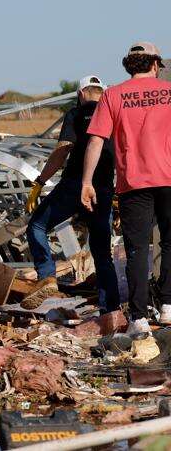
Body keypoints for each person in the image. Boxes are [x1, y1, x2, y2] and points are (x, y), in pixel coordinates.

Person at [82, 42, 171, 335]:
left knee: (137, 250)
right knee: (169, 242)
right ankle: (168, 305)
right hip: (169, 179)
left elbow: (96, 140)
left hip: (133, 183)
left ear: (128, 66)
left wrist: (86, 182)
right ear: (155, 64)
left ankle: (139, 318)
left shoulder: (113, 95)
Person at [24, 75, 120, 312]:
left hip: (74, 186)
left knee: (37, 226)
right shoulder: (114, 113)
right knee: (102, 253)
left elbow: (62, 150)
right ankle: (110, 309)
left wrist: (40, 182)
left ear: (80, 94)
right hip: (103, 189)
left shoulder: (76, 114)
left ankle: (47, 278)